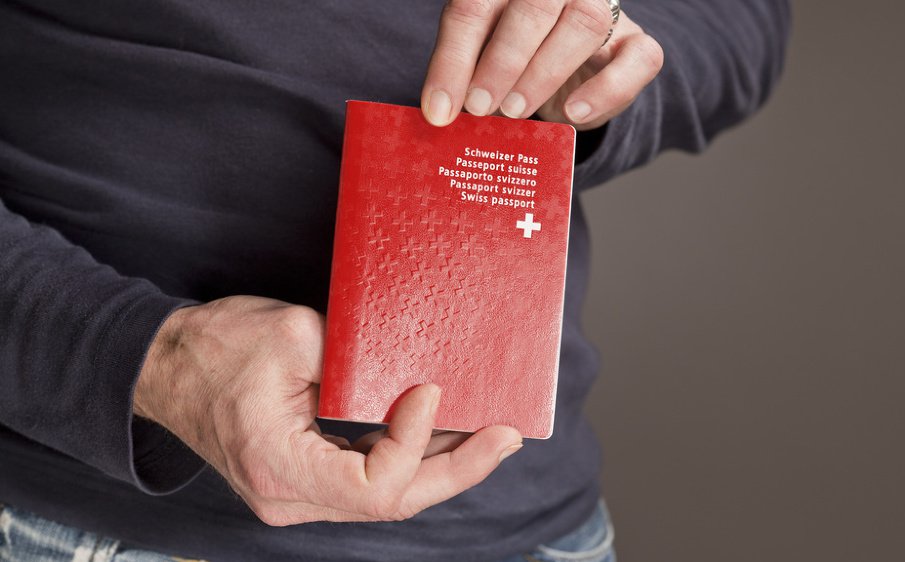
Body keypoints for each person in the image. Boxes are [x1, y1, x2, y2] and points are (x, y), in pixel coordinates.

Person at [0, 1, 790, 560]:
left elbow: (741, 17)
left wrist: (601, 57)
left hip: (525, 529)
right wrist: (145, 356)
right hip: (89, 517)